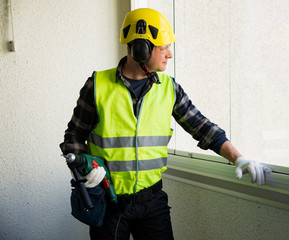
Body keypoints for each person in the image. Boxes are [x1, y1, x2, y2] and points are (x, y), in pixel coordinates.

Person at [60, 8, 270, 240]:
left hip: (152, 201)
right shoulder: (98, 85)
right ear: (142, 48)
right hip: (109, 199)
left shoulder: (169, 88)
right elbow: (74, 138)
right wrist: (85, 172)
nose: (169, 54)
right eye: (164, 47)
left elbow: (201, 127)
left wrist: (238, 157)